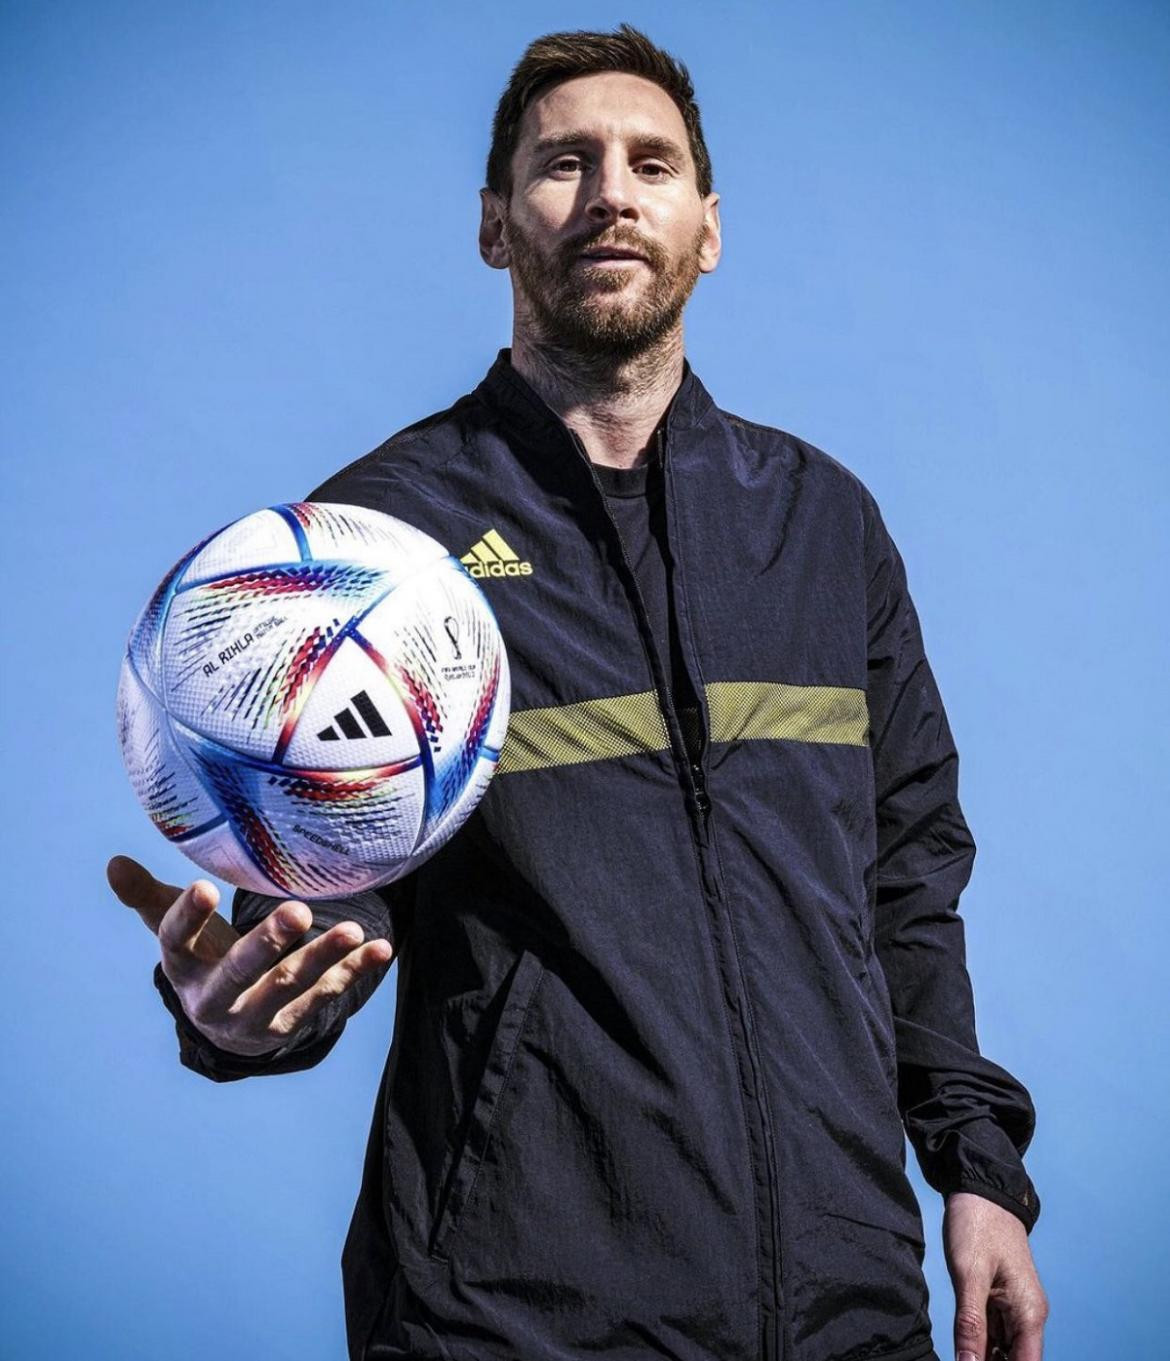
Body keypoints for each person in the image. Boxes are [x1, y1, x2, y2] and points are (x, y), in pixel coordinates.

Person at [107, 23, 1048, 1361]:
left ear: (705, 227)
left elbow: (904, 880)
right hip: (510, 1316)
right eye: (564, 163)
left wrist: (973, 1166)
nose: (610, 190)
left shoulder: (821, 523)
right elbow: (322, 874)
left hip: (849, 1308)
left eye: (649, 163)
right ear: (496, 225)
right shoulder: (381, 540)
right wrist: (248, 1006)